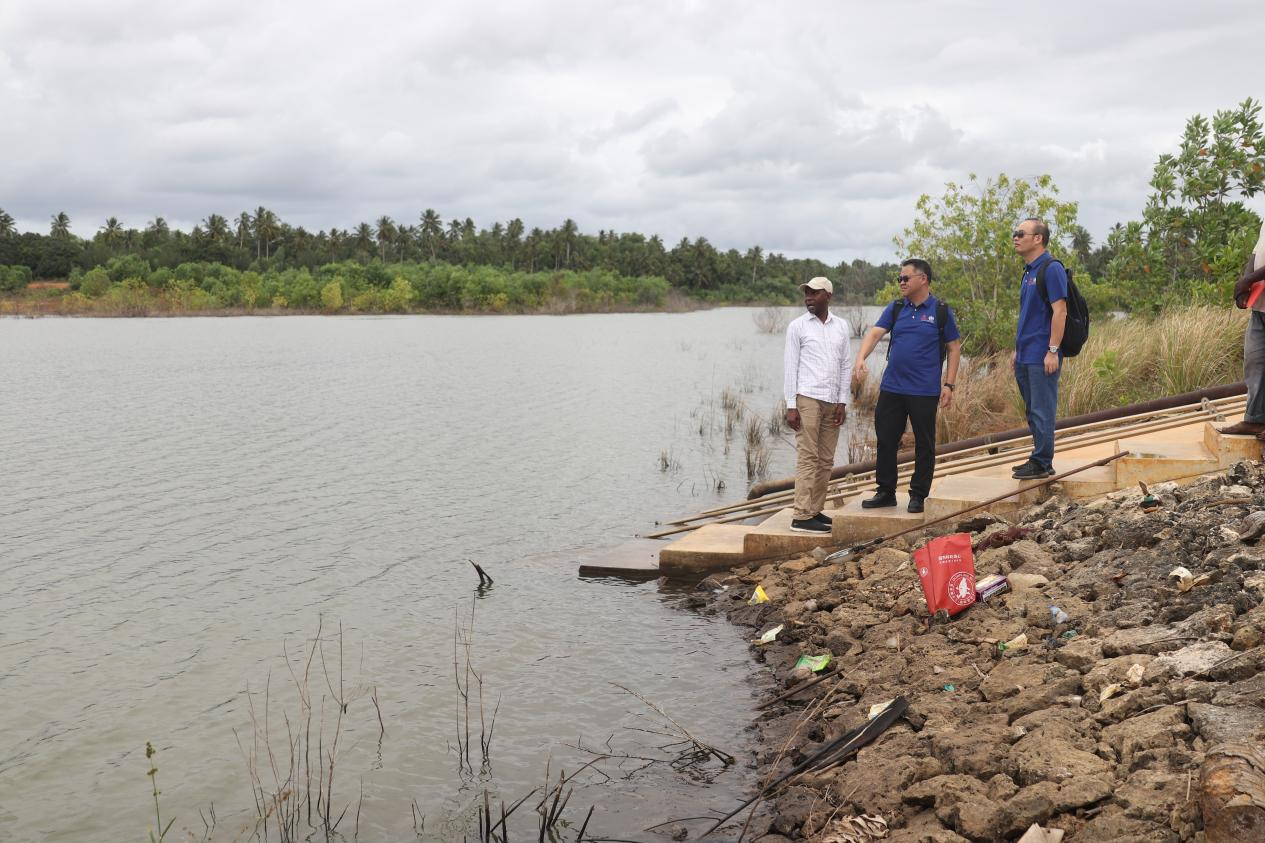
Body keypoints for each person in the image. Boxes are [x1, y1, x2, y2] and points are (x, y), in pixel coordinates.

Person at [852, 259, 961, 513]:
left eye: (905, 278)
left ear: (923, 279)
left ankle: (918, 495)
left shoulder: (941, 310)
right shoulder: (897, 307)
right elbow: (875, 334)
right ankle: (886, 491)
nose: (901, 282)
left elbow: (954, 348)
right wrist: (860, 359)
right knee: (887, 440)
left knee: (924, 443)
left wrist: (949, 385)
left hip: (924, 390)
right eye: (899, 279)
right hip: (892, 387)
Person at [783, 276, 852, 534]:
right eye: (807, 293)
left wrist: (843, 401)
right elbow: (791, 367)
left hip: (832, 401)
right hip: (807, 398)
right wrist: (791, 405)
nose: (808, 298)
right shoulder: (797, 327)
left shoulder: (841, 327)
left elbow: (845, 364)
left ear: (828, 296)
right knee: (808, 457)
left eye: (814, 293)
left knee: (825, 460)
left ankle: (814, 510)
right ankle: (801, 516)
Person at [1011, 218, 1067, 479]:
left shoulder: (1051, 268)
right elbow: (1028, 314)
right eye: (1015, 233)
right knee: (1032, 409)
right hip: (1025, 353)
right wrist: (1017, 349)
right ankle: (1038, 456)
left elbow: (1060, 311)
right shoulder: (1028, 271)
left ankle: (1043, 461)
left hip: (1042, 354)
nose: (1015, 237)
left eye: (1021, 233)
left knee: (1042, 408)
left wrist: (1053, 350)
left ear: (1038, 239)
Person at [1219, 220, 1265, 438]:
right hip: (1261, 307)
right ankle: (1255, 419)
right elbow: (1256, 254)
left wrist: (1248, 279)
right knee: (1255, 362)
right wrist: (1244, 285)